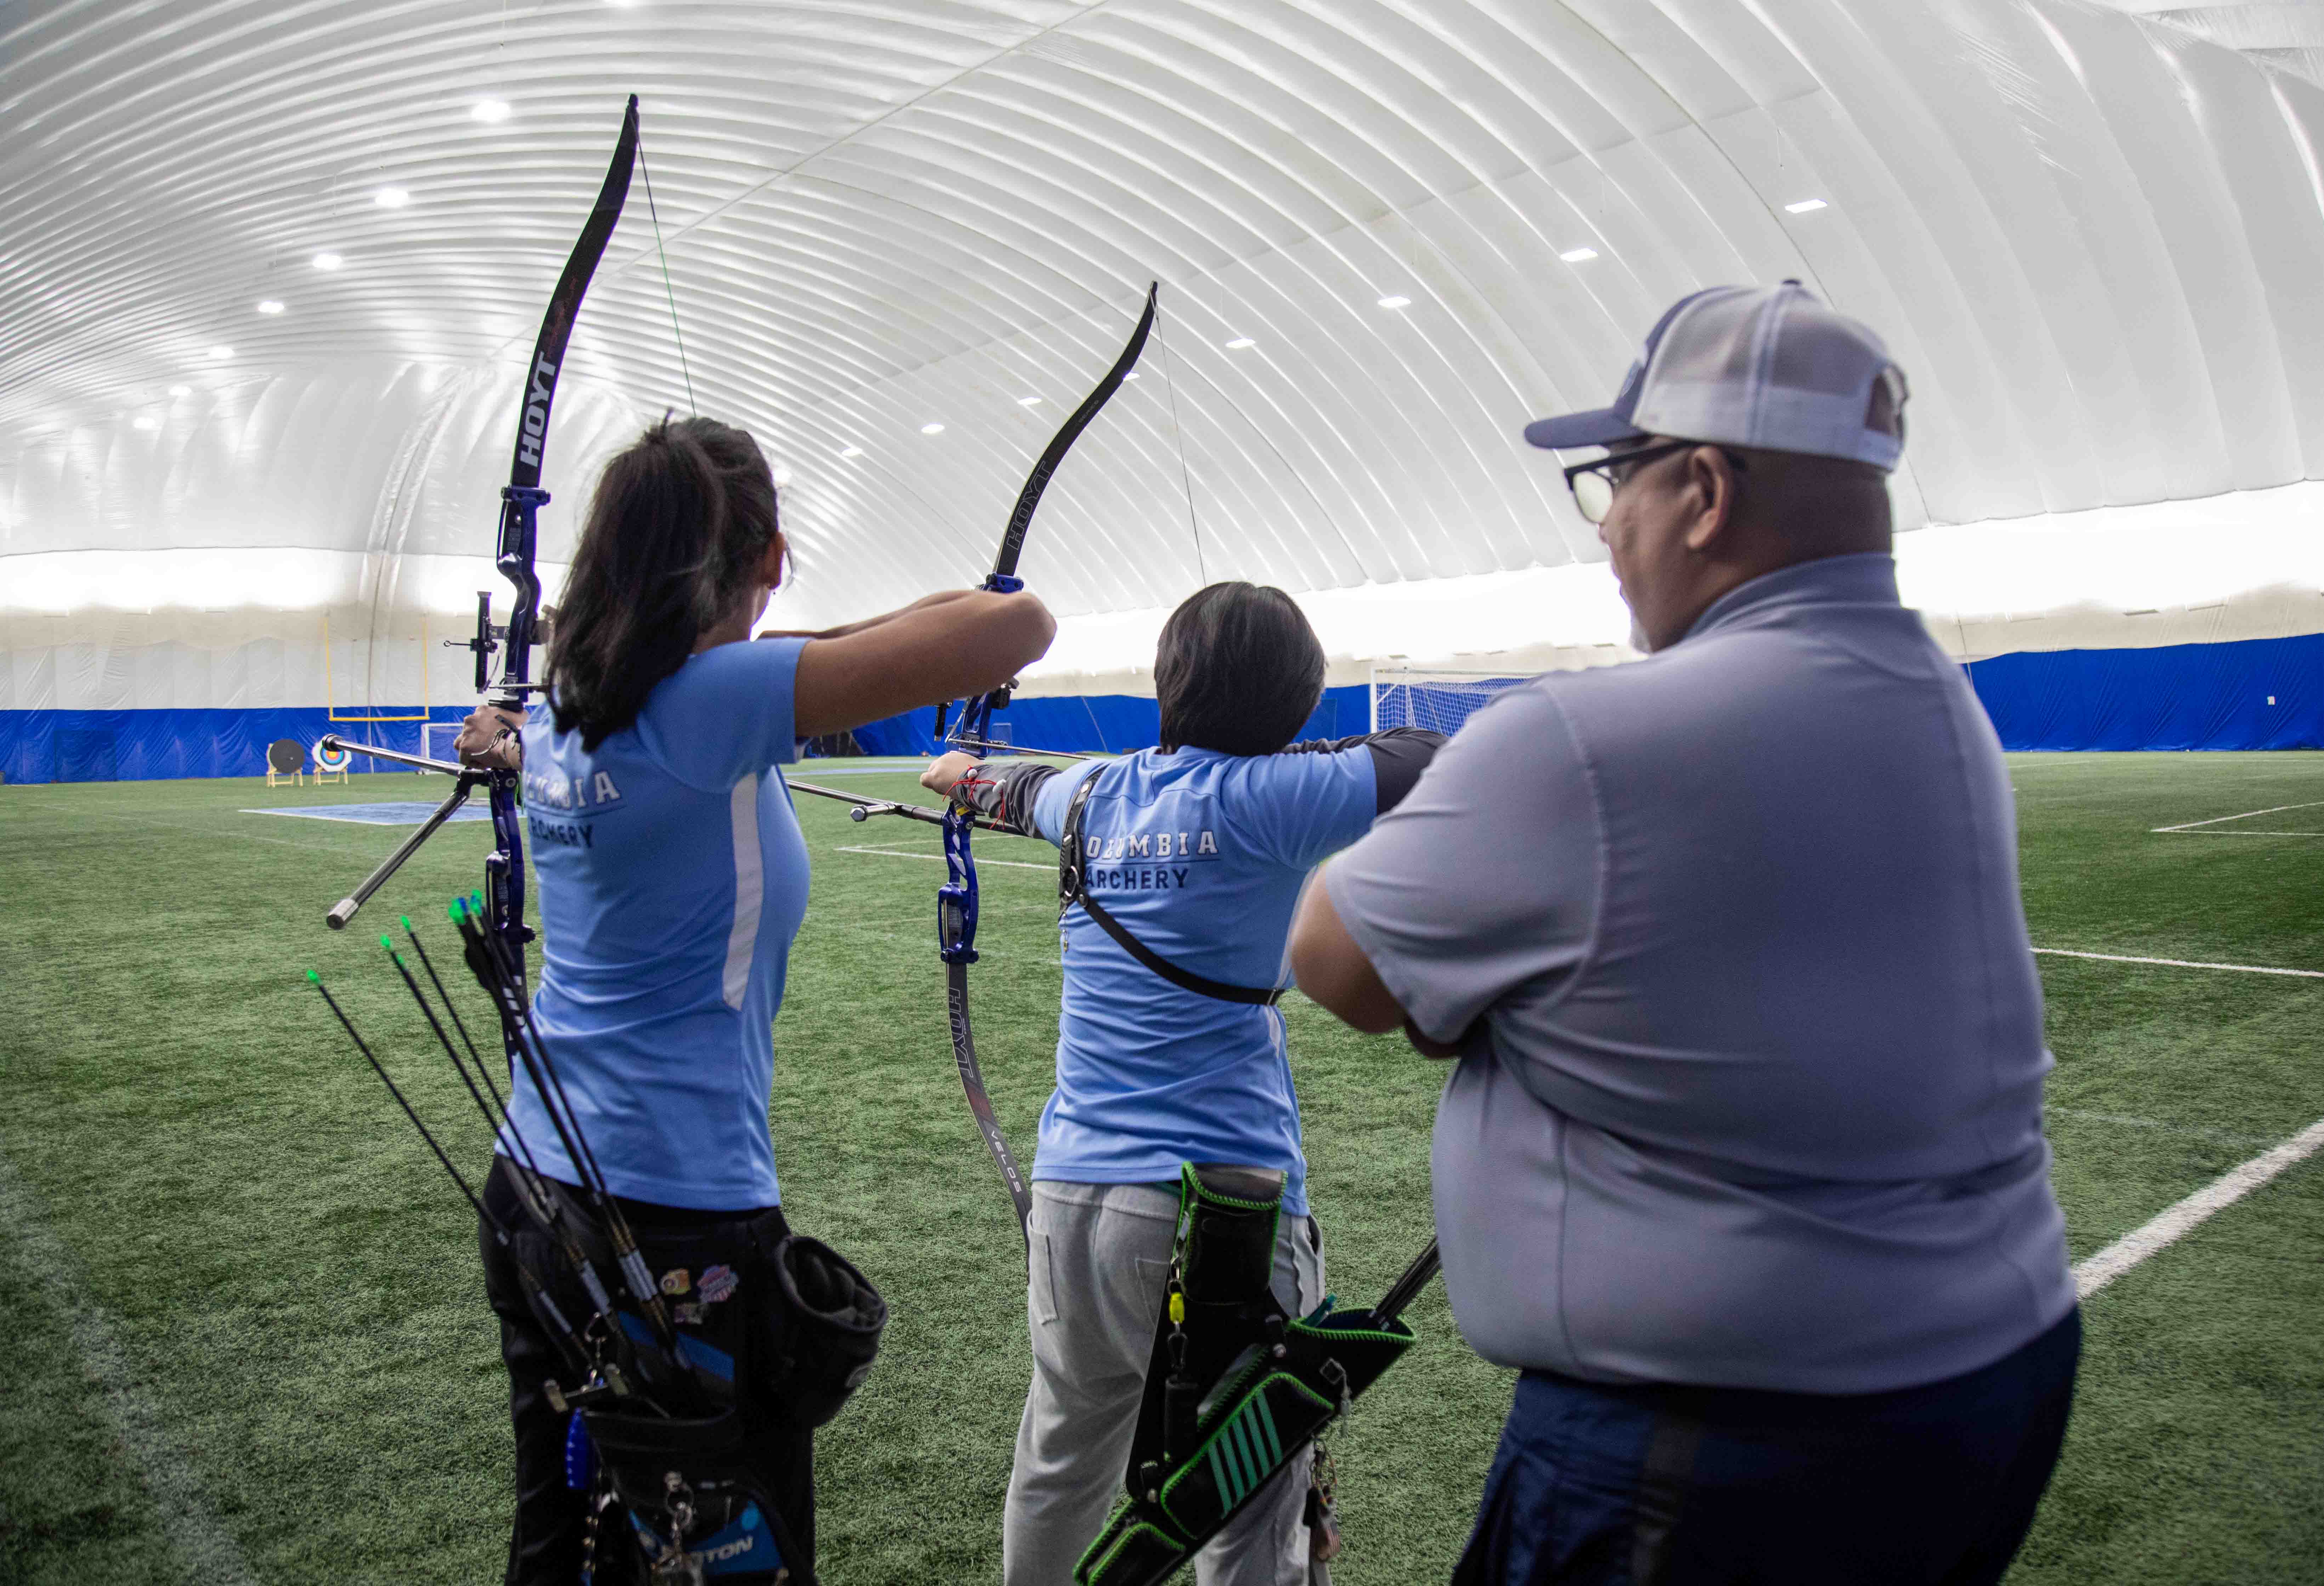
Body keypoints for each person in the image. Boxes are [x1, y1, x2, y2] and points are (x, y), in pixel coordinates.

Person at [1287, 283, 2079, 1586]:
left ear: (1704, 489)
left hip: (1718, 1444)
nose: (1610, 535)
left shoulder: (1578, 743)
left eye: (1617, 485)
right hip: (1982, 1384)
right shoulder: (1941, 705)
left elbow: (1336, 962)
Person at [455, 414, 1055, 1584]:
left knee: (562, 1548)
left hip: (533, 1188)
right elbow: (1015, 627)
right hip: (673, 1224)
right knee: (732, 1554)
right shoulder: (712, 702)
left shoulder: (579, 699)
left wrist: (798, 614)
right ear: (768, 556)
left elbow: (849, 643)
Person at [915, 581, 1443, 1586]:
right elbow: (1426, 757)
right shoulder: (1279, 796)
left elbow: (1002, 788)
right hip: (1218, 1217)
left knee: (1061, 1460)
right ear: (1295, 695)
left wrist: (955, 770)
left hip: (1074, 1199)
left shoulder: (1092, 794)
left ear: (1171, 683)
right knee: (1243, 1503)